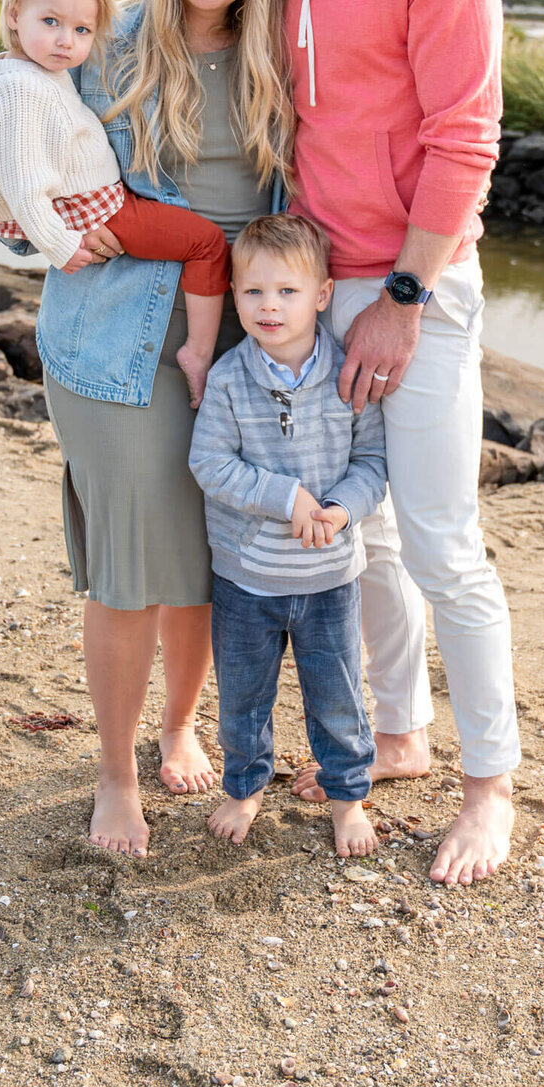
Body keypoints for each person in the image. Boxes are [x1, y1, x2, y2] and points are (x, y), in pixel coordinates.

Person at [239, 0, 520, 886]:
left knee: (447, 541)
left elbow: (468, 130)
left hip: (416, 282)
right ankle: (397, 733)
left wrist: (404, 300)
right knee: (373, 542)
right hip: (315, 279)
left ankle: (490, 786)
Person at [33, 0, 294, 854]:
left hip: (236, 335)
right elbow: (13, 115)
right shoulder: (113, 39)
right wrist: (28, 213)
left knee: (200, 563)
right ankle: (112, 776)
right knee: (132, 561)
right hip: (115, 332)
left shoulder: (276, 50)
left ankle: (178, 728)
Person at [0, 0, 231, 404]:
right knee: (207, 244)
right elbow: (24, 184)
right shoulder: (23, 89)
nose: (66, 41)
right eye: (52, 22)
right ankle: (198, 354)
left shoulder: (31, 73)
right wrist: (60, 244)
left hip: (98, 202)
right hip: (99, 212)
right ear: (14, 14)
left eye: (82, 30)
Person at [188, 214, 386, 858]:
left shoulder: (347, 373)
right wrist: (288, 498)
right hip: (248, 576)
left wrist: (339, 509)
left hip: (330, 577)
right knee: (244, 695)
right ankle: (245, 786)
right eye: (253, 292)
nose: (269, 306)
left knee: (338, 694)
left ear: (323, 295)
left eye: (287, 292)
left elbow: (373, 464)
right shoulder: (228, 378)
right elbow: (210, 464)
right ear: (233, 295)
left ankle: (347, 798)